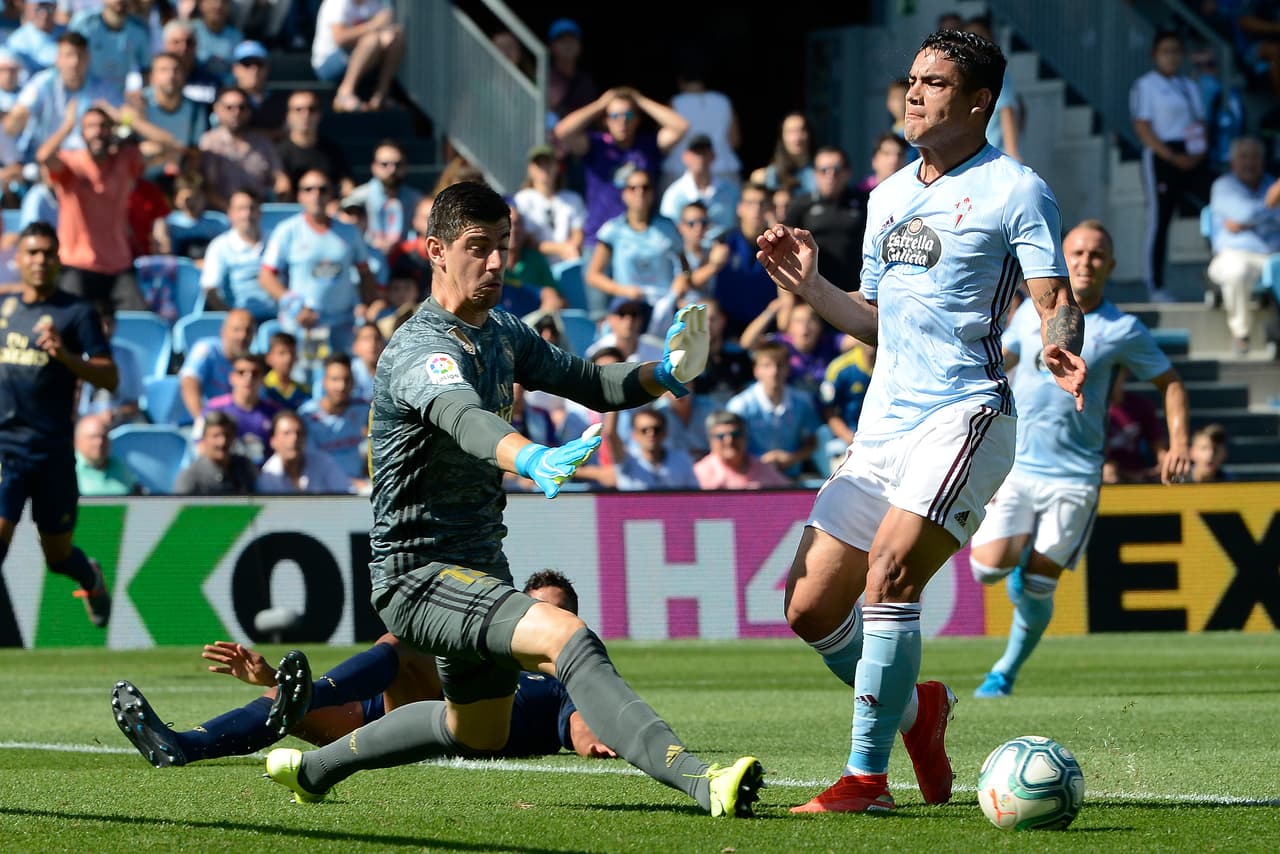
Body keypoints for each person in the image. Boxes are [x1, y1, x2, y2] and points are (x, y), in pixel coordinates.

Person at [257, 181, 763, 817]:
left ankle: (314, 769)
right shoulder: (421, 349)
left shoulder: (500, 331)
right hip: (417, 575)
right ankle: (700, 779)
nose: (496, 261)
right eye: (478, 246)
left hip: (479, 566)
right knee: (568, 637)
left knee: (477, 730)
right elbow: (465, 418)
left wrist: (664, 374)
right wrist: (531, 458)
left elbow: (589, 381)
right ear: (435, 251)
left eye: (503, 244)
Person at [753, 30, 1087, 814]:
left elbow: (1055, 299)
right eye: (912, 79)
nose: (913, 93)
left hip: (965, 414)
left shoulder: (1016, 189)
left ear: (978, 102)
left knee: (891, 576)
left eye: (934, 83)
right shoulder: (888, 195)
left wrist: (1059, 343)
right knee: (808, 607)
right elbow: (874, 320)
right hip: (883, 427)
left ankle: (866, 781)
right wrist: (810, 286)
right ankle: (918, 712)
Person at [969, 219, 1191, 699]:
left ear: (1110, 265)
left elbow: (1170, 382)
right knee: (987, 569)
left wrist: (1178, 443)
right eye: (1078, 253)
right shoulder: (1029, 313)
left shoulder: (1122, 328)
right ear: (1062, 261)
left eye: (1096, 254)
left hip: (1075, 476)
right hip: (1017, 465)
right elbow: (1002, 361)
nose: (1086, 261)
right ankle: (1021, 563)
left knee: (1039, 586)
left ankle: (1004, 672)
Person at [111, 572, 615, 766]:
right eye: (535, 609)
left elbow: (580, 722)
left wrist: (595, 742)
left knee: (402, 644)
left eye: (555, 613)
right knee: (285, 708)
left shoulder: (567, 672)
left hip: (460, 734)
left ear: (573, 622)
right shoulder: (489, 652)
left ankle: (311, 691)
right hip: (393, 717)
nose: (542, 620)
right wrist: (273, 681)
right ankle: (184, 745)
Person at [0, 222, 116, 627]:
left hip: (51, 451)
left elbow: (109, 377)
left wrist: (66, 356)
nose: (40, 260)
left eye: (48, 253)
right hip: (5, 448)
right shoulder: (5, 309)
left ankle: (90, 577)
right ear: (18, 259)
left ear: (58, 260)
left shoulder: (76, 312)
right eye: (32, 252)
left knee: (58, 556)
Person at [552, 86, 689, 255]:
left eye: (628, 115)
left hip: (641, 240)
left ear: (637, 119)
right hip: (599, 239)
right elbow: (562, 131)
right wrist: (601, 104)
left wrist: (640, 100)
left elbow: (681, 126)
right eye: (615, 116)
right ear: (606, 120)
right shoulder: (596, 145)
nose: (622, 121)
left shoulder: (648, 145)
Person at [1130, 29, 1214, 302]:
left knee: (1215, 207)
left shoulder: (1189, 85)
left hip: (1192, 155)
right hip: (1162, 157)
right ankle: (1155, 285)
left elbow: (1200, 123)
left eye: (1176, 51)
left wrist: (1196, 155)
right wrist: (1170, 156)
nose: (1171, 57)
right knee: (1160, 220)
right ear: (1155, 55)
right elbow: (1142, 127)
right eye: (1165, 51)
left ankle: (1217, 274)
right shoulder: (1146, 85)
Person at [260, 168, 378, 356]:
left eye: (323, 189)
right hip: (307, 324)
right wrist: (294, 307)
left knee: (344, 372)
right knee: (311, 371)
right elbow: (266, 276)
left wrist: (367, 304)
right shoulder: (287, 231)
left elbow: (365, 272)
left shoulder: (349, 232)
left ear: (331, 194)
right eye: (308, 189)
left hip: (344, 323)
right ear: (299, 196)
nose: (316, 195)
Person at [1205, 136, 1280, 355]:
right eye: (1244, 157)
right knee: (1236, 271)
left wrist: (1250, 221)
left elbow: (1248, 218)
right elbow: (1243, 214)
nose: (1250, 162)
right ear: (1232, 161)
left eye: (1255, 157)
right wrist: (1270, 205)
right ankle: (1241, 335)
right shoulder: (1223, 186)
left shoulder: (1270, 183)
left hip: (1273, 255)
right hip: (1234, 255)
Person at [584, 170, 688, 309]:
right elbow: (593, 275)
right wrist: (622, 291)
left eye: (645, 188)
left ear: (652, 193)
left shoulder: (668, 228)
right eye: (633, 188)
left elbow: (685, 267)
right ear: (624, 194)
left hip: (663, 306)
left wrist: (681, 282)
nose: (640, 193)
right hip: (627, 307)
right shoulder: (612, 230)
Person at [726, 338, 820, 480]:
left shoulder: (803, 402)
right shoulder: (739, 406)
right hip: (750, 478)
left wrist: (792, 458)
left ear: (788, 369)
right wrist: (759, 462)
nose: (774, 372)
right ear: (756, 370)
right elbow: (729, 446)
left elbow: (812, 442)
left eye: (780, 365)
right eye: (767, 366)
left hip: (793, 478)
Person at [785, 145, 869, 293]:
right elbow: (786, 247)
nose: (830, 175)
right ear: (815, 174)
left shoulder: (865, 202)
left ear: (847, 172)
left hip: (857, 291)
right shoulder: (801, 204)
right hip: (813, 292)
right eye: (823, 170)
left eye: (836, 169)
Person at [198, 84, 287, 211]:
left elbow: (279, 177)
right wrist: (232, 211)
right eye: (229, 108)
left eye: (242, 107)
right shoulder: (209, 142)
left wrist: (281, 195)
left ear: (249, 111)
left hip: (258, 213)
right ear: (217, 109)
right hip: (220, 214)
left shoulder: (263, 142)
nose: (236, 113)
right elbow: (207, 187)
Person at [311, 0, 404, 113]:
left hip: (361, 58)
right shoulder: (336, 3)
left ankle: (381, 95)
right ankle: (344, 94)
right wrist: (374, 25)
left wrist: (386, 35)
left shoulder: (373, 3)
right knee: (372, 40)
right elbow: (340, 38)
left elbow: (382, 30)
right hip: (328, 63)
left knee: (396, 36)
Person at [297, 352, 369, 490]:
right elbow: (310, 463)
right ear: (323, 381)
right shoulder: (306, 415)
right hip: (321, 488)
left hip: (359, 485)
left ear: (353, 382)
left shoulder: (363, 409)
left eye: (346, 379)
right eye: (335, 379)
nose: (341, 386)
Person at [199, 187, 272, 320]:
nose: (247, 214)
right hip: (241, 322)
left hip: (278, 319)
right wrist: (232, 317)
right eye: (241, 209)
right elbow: (210, 290)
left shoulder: (275, 241)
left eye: (252, 208)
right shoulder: (219, 246)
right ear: (230, 214)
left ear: (260, 212)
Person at [342, 140, 424, 255]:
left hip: (405, 259)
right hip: (367, 257)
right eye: (385, 164)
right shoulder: (357, 197)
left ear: (406, 166)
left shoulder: (416, 199)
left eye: (398, 164)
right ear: (374, 167)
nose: (392, 169)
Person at [512, 144, 586, 265]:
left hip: (567, 264)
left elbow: (578, 232)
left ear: (556, 166)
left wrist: (572, 248)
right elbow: (525, 239)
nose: (544, 168)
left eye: (548, 163)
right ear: (530, 169)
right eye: (539, 164)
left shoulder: (573, 199)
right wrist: (561, 249)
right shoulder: (521, 200)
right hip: (536, 266)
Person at [178, 306, 255, 421]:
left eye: (248, 331)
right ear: (224, 332)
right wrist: (201, 421)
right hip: (196, 423)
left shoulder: (252, 364)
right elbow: (189, 380)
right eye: (236, 330)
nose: (243, 336)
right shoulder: (207, 349)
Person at [202, 351, 280, 464]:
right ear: (231, 378)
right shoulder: (214, 408)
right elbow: (201, 446)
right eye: (241, 372)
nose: (248, 378)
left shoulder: (275, 412)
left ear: (262, 379)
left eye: (255, 373)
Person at [659, 133, 740, 242]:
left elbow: (738, 226)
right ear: (685, 157)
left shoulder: (731, 191)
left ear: (713, 156)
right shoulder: (673, 195)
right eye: (696, 153)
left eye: (704, 152)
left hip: (727, 250)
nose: (700, 158)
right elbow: (668, 233)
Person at [275, 88, 352, 200]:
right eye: (298, 110)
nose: (305, 114)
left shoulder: (333, 151)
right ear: (288, 116)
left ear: (319, 114)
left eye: (312, 109)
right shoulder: (277, 153)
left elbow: (347, 186)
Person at [963, 16, 1021, 162]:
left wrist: (1012, 150)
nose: (974, 43)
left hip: (993, 156)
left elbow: (1006, 110)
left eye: (980, 36)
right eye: (969, 38)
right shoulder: (965, 75)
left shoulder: (996, 75)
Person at [255, 408, 351, 493]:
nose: (294, 438)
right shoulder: (268, 477)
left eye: (299, 433)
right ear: (273, 441)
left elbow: (345, 494)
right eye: (286, 433)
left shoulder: (323, 462)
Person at [606, 404, 699, 491]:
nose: (651, 434)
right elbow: (611, 433)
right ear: (634, 434)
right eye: (644, 430)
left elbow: (694, 496)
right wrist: (614, 402)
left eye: (656, 429)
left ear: (665, 432)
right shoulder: (626, 459)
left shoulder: (682, 460)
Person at [692, 409, 789, 490]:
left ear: (745, 437)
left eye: (735, 434)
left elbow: (788, 494)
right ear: (710, 440)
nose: (729, 440)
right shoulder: (700, 474)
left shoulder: (764, 468)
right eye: (721, 436)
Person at [174, 409, 257, 494]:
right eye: (216, 436)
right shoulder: (190, 478)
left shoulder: (245, 467)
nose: (222, 442)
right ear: (204, 439)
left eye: (227, 435)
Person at [749, 111, 817, 197]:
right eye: (790, 132)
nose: (797, 138)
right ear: (782, 136)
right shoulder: (768, 176)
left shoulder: (823, 172)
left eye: (801, 130)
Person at [74, 412, 141, 496]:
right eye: (93, 437)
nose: (99, 442)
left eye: (104, 437)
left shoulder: (119, 465)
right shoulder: (66, 468)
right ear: (77, 441)